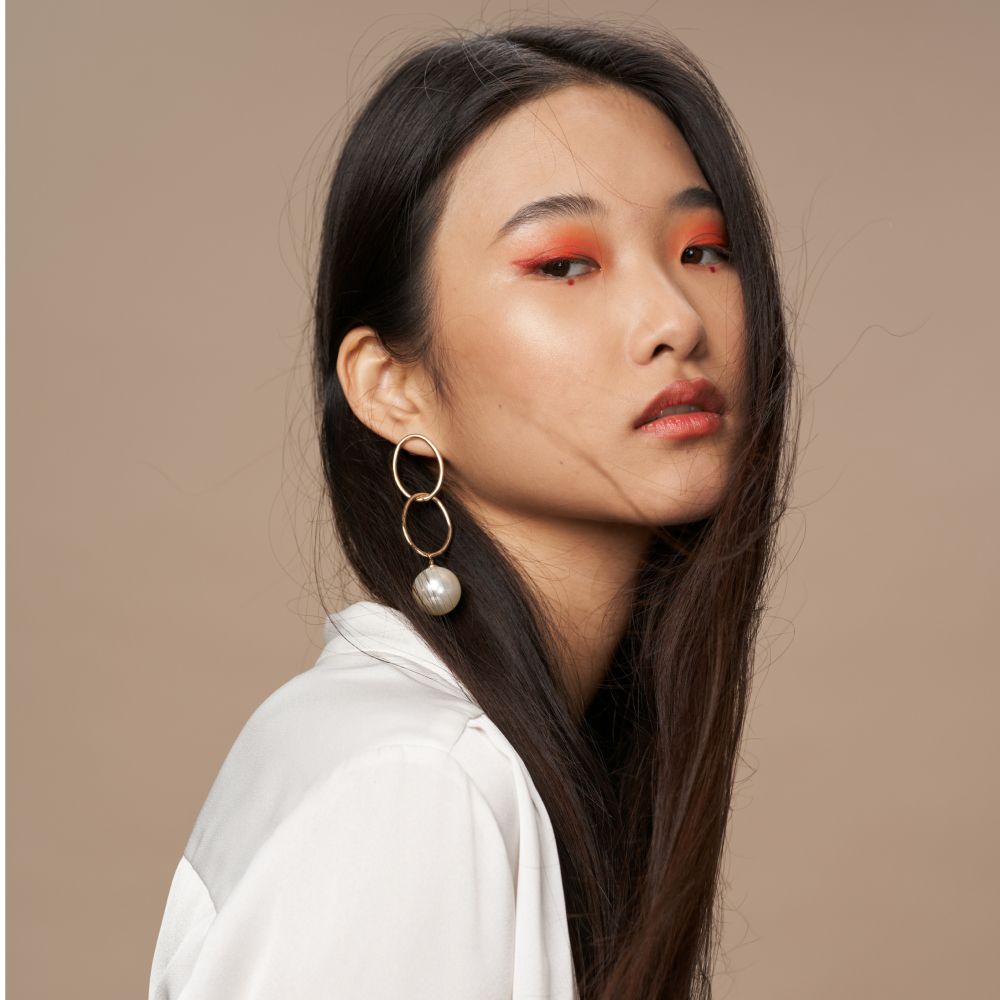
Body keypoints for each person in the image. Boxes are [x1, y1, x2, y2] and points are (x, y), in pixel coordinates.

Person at [147, 19, 798, 1000]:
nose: (674, 320)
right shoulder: (420, 787)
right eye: (565, 264)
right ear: (392, 389)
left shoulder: (420, 747)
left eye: (704, 249)